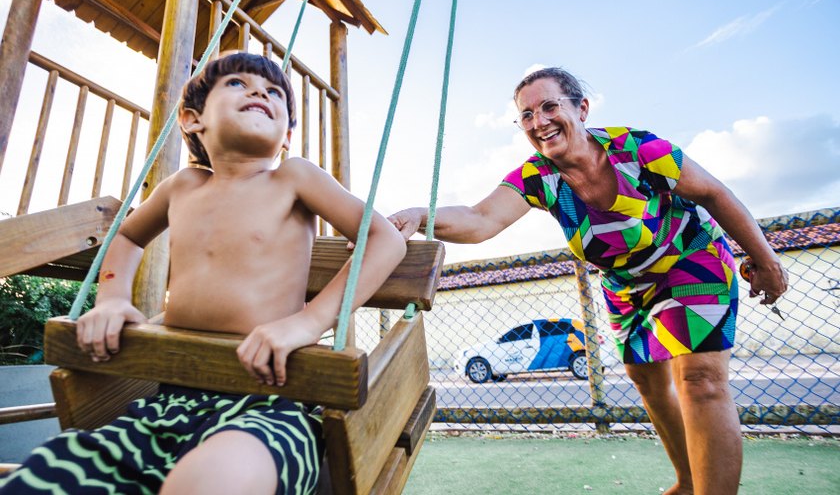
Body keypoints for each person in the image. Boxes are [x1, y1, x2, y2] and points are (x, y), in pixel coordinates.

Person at [0, 52, 406, 495]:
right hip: (168, 399)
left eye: (274, 93)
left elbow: (385, 239)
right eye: (238, 83)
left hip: (270, 404)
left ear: (287, 134)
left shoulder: (294, 179)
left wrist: (309, 322)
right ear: (193, 119)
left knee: (214, 481)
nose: (259, 92)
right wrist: (112, 299)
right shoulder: (183, 186)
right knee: (50, 472)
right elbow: (126, 238)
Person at [389, 67, 788, 495]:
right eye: (526, 115)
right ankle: (689, 481)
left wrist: (765, 261)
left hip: (689, 259)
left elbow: (714, 193)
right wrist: (419, 215)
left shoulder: (638, 148)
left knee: (700, 381)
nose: (538, 122)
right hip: (625, 284)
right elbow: (480, 218)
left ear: (581, 109)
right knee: (647, 380)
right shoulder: (538, 176)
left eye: (549, 107)